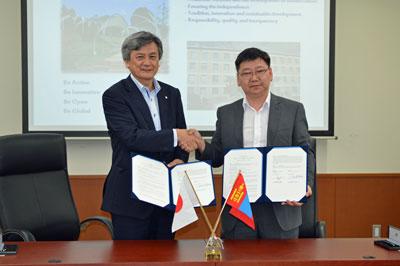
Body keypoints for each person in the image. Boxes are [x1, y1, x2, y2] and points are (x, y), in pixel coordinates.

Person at [184, 47, 315, 240]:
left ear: (270, 74)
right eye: (246, 73)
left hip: (281, 208)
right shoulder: (226, 113)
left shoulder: (293, 109)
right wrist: (201, 144)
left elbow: (306, 152)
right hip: (239, 207)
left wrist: (306, 184)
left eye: (260, 71)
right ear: (238, 79)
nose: (254, 78)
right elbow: (218, 155)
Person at [102, 31, 196, 240]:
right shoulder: (114, 95)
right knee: (130, 260)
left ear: (159, 61)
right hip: (130, 196)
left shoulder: (172, 94)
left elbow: (181, 136)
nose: (147, 62)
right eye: (140, 57)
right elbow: (131, 137)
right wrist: (176, 135)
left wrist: (181, 157)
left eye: (152, 56)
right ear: (127, 61)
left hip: (166, 194)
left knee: (166, 257)